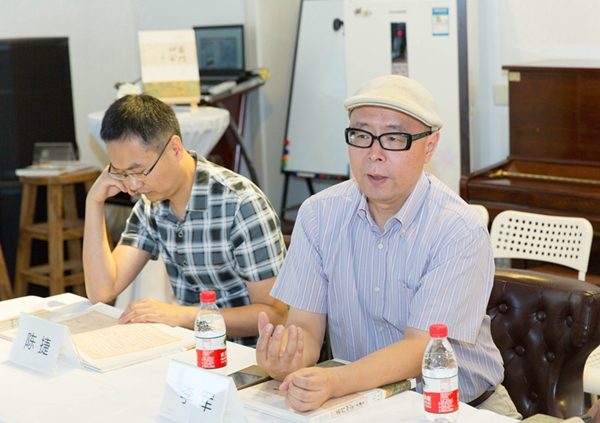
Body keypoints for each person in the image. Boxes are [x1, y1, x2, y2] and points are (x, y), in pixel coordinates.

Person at [255, 74, 521, 418]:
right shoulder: (318, 215)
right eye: (361, 136)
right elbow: (305, 329)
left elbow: (420, 348)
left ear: (430, 145)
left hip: (461, 407)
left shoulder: (458, 228)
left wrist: (335, 381)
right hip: (362, 403)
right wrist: (287, 357)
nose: (374, 154)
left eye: (394, 138)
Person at [83, 94, 287, 346]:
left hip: (250, 354)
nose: (133, 186)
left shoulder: (240, 204)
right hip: (194, 350)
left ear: (175, 148)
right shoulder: (150, 204)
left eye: (140, 171)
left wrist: (180, 315)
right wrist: (94, 202)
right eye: (122, 173)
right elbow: (102, 290)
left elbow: (275, 315)